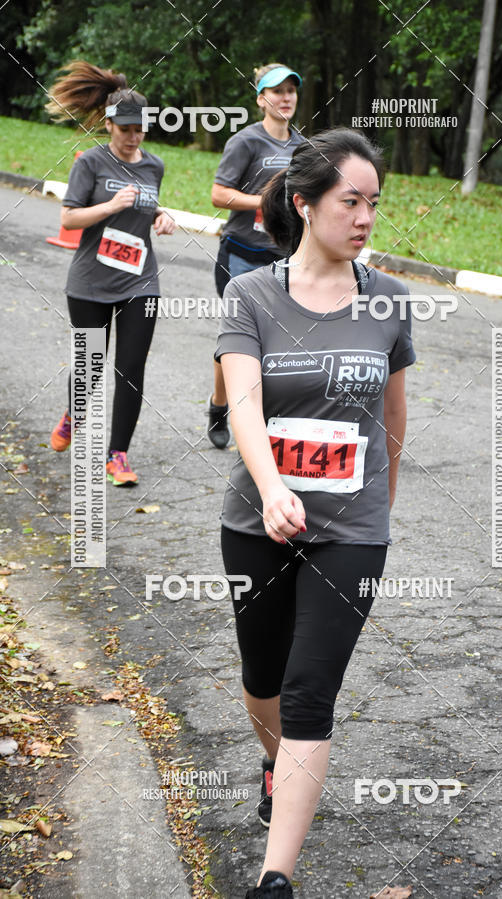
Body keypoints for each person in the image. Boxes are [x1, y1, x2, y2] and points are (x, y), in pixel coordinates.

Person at [215, 128, 416, 898]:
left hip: (352, 533)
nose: (365, 216)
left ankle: (276, 876)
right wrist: (271, 489)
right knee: (262, 674)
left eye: (374, 202)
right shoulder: (251, 295)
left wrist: (376, 515)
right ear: (303, 203)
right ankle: (275, 763)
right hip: (255, 518)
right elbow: (242, 402)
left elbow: (394, 421)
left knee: (308, 689)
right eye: (350, 200)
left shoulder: (390, 299)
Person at [47, 60, 175, 485]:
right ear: (108, 124)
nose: (133, 137)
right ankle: (73, 413)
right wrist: (110, 207)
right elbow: (69, 219)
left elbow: (145, 202)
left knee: (131, 367)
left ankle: (117, 455)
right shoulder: (90, 163)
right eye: (125, 129)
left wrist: (161, 215)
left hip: (140, 279)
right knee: (90, 365)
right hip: (90, 282)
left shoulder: (153, 165)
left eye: (139, 129)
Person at [207, 62, 304, 449]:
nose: (285, 98)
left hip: (283, 257)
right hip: (241, 255)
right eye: (277, 91)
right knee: (237, 341)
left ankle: (267, 417)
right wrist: (265, 201)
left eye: (291, 91)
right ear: (261, 99)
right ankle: (219, 406)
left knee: (278, 342)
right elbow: (219, 194)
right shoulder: (245, 142)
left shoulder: (303, 147)